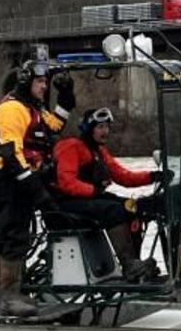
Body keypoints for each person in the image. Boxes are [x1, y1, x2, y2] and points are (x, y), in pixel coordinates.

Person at [0, 57, 75, 316]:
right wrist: (36, 190)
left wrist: (66, 95)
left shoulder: (33, 107)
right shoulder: (12, 109)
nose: (44, 87)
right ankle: (6, 296)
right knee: (13, 234)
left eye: (46, 82)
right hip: (11, 181)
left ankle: (13, 292)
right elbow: (11, 154)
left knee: (20, 234)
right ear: (26, 82)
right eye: (40, 82)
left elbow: (56, 125)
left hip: (25, 179)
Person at [52, 106, 169, 282]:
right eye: (100, 127)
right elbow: (66, 182)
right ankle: (129, 265)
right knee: (113, 210)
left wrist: (153, 176)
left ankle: (135, 263)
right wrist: (93, 190)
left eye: (107, 127)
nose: (105, 131)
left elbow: (123, 176)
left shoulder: (99, 151)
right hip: (64, 203)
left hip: (87, 198)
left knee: (132, 207)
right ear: (89, 129)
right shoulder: (71, 147)